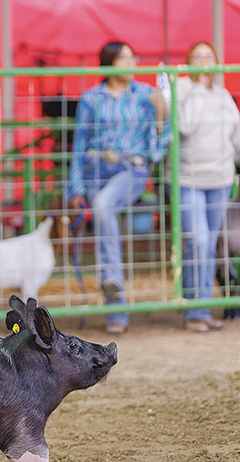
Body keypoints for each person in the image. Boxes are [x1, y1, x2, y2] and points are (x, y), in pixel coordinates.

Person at [67, 41, 170, 335]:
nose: (129, 62)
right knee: (103, 216)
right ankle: (117, 312)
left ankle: (112, 279)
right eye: (122, 57)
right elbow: (79, 143)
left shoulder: (147, 95)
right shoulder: (90, 98)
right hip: (95, 167)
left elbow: (159, 148)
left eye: (131, 57)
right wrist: (74, 186)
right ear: (108, 63)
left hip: (132, 168)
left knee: (103, 206)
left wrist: (161, 116)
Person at [175, 41, 240, 332]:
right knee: (199, 240)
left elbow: (236, 136)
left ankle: (202, 309)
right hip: (188, 179)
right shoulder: (181, 89)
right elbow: (184, 126)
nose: (204, 61)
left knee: (210, 245)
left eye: (208, 56)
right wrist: (196, 88)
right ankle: (195, 309)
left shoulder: (224, 95)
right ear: (189, 62)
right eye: (197, 56)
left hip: (219, 180)